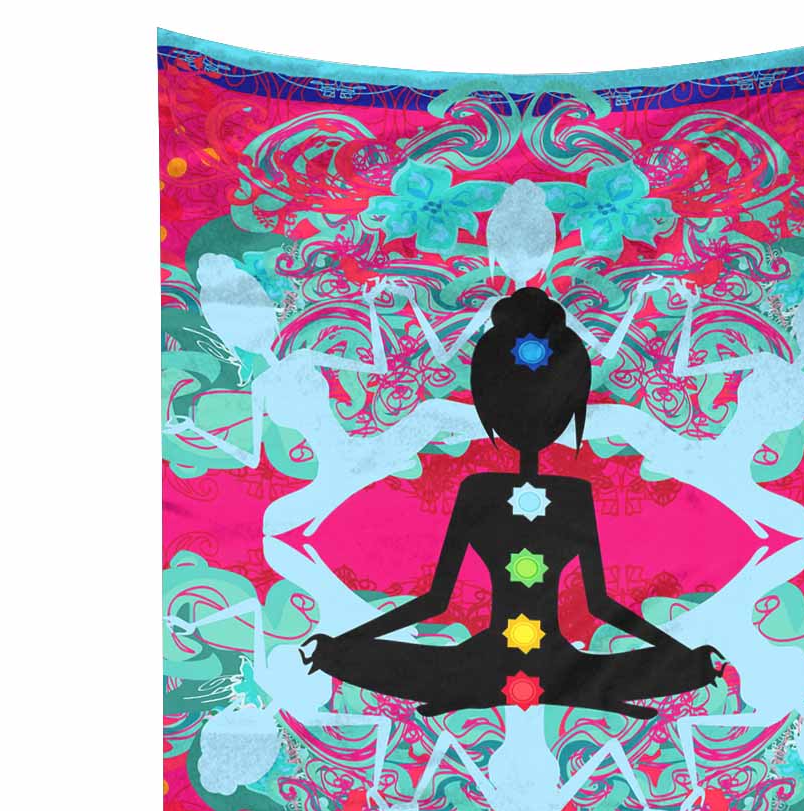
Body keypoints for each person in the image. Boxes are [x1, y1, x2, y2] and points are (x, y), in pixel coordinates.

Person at [301, 287, 722, 718]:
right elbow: (598, 606)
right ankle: (574, 688)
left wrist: (346, 647)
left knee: (363, 661)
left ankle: (507, 687)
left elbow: (439, 601)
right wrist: (679, 657)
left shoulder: (503, 491)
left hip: (504, 667)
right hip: (551, 668)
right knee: (677, 668)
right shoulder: (535, 492)